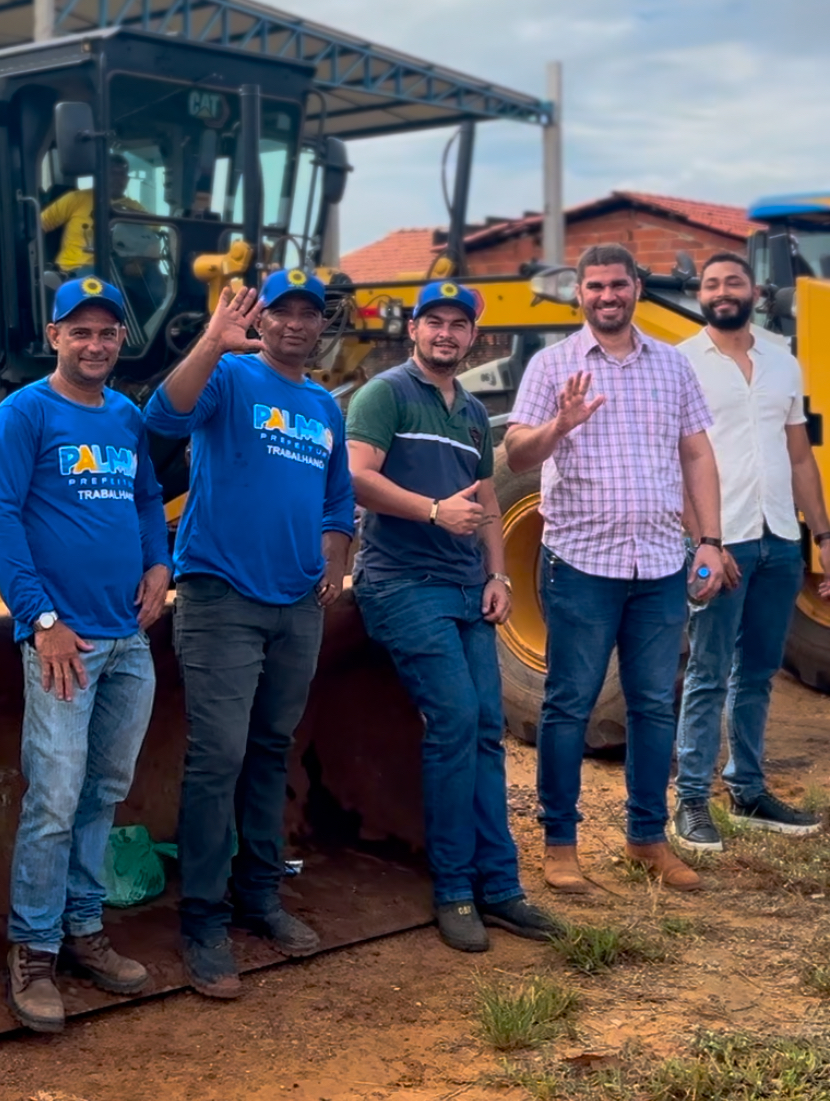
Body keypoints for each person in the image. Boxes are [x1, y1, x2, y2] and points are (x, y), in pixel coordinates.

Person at [144, 269, 354, 999]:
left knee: (271, 750)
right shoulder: (229, 378)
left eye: (310, 313)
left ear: (322, 325)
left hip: (295, 603)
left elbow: (337, 501)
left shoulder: (323, 405)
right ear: (261, 319)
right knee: (218, 755)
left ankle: (258, 897)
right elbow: (163, 416)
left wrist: (331, 566)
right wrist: (210, 339)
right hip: (220, 594)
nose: (296, 324)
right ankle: (202, 919)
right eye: (283, 311)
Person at [0, 275, 171, 1034]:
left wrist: (160, 564)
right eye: (79, 331)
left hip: (127, 640)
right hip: (65, 642)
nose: (95, 344)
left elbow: (148, 498)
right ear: (53, 336)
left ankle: (84, 928)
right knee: (55, 796)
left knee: (105, 787)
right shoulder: (24, 412)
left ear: (121, 340)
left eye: (107, 332)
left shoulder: (124, 415)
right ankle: (32, 947)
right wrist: (41, 618)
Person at [346, 281, 560, 951]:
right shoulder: (383, 393)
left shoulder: (470, 411)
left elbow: (489, 502)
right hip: (402, 583)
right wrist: (432, 511)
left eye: (457, 324)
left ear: (473, 336)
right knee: (455, 719)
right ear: (413, 329)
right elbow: (353, 476)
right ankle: (453, 889)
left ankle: (500, 885)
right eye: (433, 321)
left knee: (488, 729)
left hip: (466, 587)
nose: (445, 333)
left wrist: (498, 573)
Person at [505, 242, 725, 894]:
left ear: (635, 288)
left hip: (658, 564)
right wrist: (559, 426)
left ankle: (645, 838)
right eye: (594, 286)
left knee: (653, 704)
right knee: (568, 703)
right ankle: (559, 842)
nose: (607, 296)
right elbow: (516, 452)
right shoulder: (552, 366)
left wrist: (708, 539)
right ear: (579, 294)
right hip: (579, 564)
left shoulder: (673, 368)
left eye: (617, 284)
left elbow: (695, 456)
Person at [673, 252, 830, 849]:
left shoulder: (780, 360)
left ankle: (747, 790)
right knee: (708, 671)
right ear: (701, 295)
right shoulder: (682, 363)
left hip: (779, 540)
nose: (721, 291)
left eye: (732, 281)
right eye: (711, 284)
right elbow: (675, 460)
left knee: (758, 672)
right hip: (721, 537)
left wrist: (822, 534)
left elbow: (798, 457)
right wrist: (701, 540)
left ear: (755, 291)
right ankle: (690, 800)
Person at [41, 154, 146, 274]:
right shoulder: (77, 199)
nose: (117, 178)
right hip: (75, 269)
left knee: (156, 287)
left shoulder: (135, 208)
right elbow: (41, 224)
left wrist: (136, 263)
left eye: (121, 173)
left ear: (127, 179)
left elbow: (152, 237)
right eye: (112, 173)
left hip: (118, 272)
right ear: (101, 176)